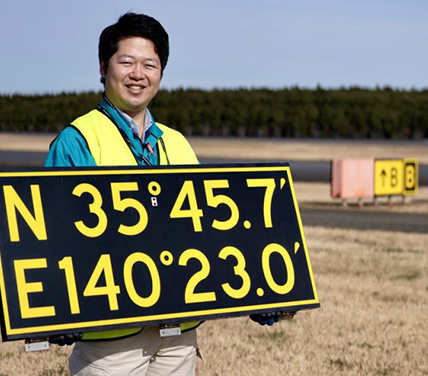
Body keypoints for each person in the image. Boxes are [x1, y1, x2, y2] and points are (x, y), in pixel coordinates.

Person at [45, 12, 281, 375]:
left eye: (149, 64)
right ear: (103, 67)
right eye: (126, 62)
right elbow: (53, 234)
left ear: (160, 73)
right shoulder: (78, 140)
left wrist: (260, 290)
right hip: (112, 340)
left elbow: (212, 232)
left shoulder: (178, 144)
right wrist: (58, 306)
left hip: (178, 337)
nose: (137, 74)